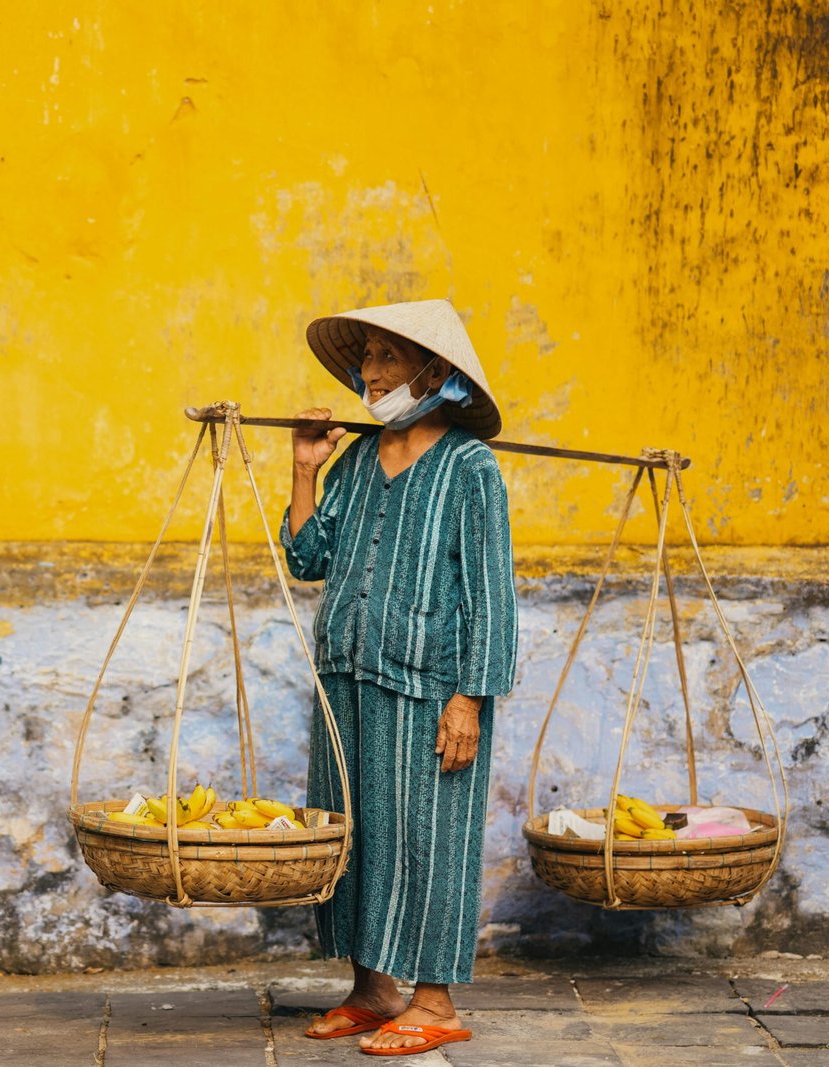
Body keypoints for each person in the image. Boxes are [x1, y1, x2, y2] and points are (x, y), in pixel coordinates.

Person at [282, 299, 517, 1057]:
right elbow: (308, 558)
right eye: (368, 360)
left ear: (436, 372)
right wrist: (304, 469)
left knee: (429, 838)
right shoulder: (354, 459)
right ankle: (373, 987)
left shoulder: (469, 468)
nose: (371, 373)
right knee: (356, 837)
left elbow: (491, 595)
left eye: (388, 358)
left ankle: (437, 1000)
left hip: (431, 688)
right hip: (346, 675)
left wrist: (469, 699)